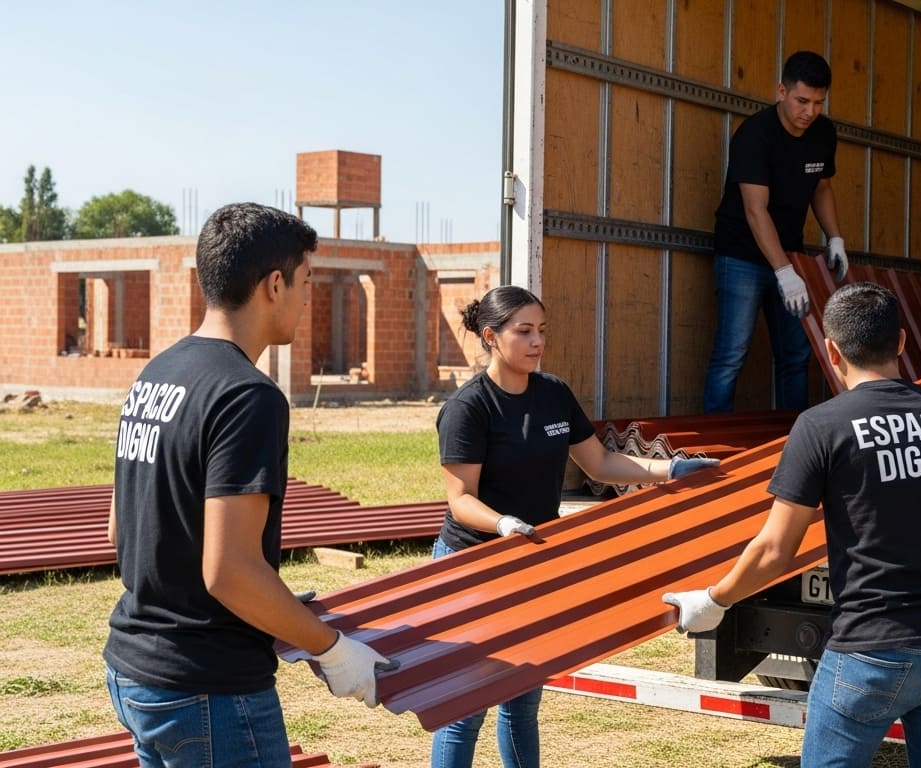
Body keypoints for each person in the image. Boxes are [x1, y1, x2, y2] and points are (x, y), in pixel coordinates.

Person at [104, 203, 393, 768]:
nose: (308, 301)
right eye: (307, 282)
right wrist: (331, 650)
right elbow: (229, 570)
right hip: (209, 689)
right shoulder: (247, 395)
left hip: (136, 668)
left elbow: (125, 529)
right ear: (275, 283)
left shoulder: (157, 372)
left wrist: (274, 606)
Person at [665, 281, 921, 768]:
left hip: (871, 650)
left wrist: (714, 601)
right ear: (901, 342)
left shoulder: (822, 425)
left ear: (832, 351)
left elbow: (775, 549)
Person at [431, 284, 719, 768]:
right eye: (524, 332)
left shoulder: (554, 394)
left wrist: (670, 470)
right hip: (474, 562)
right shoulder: (470, 407)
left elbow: (601, 463)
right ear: (490, 336)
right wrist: (502, 524)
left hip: (534, 558)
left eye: (541, 331)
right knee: (466, 707)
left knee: (522, 700)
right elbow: (460, 500)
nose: (536, 341)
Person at [703, 49, 848, 414]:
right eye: (801, 100)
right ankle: (715, 445)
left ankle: (794, 438)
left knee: (795, 354)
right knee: (731, 354)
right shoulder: (755, 135)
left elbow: (822, 187)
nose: (809, 112)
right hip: (741, 255)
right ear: (781, 91)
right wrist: (784, 272)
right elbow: (755, 210)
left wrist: (835, 238)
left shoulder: (823, 132)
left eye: (818, 102)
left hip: (790, 254)